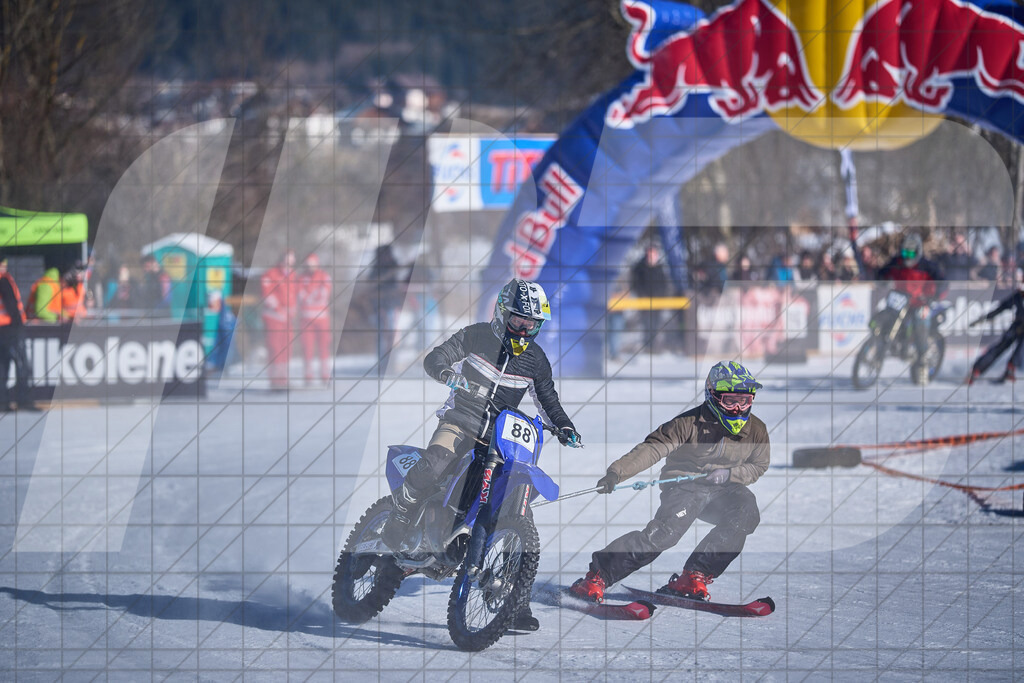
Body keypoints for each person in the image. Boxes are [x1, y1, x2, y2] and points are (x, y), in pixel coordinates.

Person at [379, 278, 583, 631]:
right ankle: (398, 518)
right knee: (435, 464)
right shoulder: (476, 336)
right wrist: (446, 372)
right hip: (461, 422)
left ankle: (514, 603)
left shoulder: (535, 360)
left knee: (518, 513)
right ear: (502, 313)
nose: (525, 328)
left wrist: (565, 426)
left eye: (533, 324)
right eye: (519, 319)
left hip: (502, 440)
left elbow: (548, 399)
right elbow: (436, 357)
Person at [569, 361, 768, 604]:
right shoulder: (687, 423)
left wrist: (729, 475)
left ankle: (695, 575)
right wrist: (617, 473)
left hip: (725, 489)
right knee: (665, 534)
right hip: (685, 485)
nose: (737, 409)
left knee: (746, 512)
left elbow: (759, 465)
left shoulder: (756, 430)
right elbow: (651, 450)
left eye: (744, 401)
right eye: (730, 401)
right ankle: (597, 577)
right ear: (713, 396)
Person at [877, 232, 947, 385]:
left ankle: (922, 362)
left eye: (911, 252)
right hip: (900, 301)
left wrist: (935, 296)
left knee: (921, 321)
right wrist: (881, 280)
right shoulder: (897, 261)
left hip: (921, 303)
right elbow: (882, 272)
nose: (907, 256)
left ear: (918, 252)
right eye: (905, 252)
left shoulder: (928, 265)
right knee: (882, 317)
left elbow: (943, 283)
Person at [968, 270, 1024, 383]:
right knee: (1000, 346)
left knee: (1021, 348)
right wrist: (982, 319)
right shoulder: (1018, 296)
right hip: (1017, 326)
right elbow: (1000, 308)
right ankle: (976, 370)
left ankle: (1010, 369)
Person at [0, 255, 40, 411]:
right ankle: (24, 400)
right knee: (22, 364)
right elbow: (12, 306)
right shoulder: (3, 280)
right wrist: (19, 324)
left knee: (2, 367)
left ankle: (3, 402)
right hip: (11, 328)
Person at [260, 249, 297, 391]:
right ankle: (275, 381)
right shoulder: (270, 275)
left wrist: (292, 310)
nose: (290, 264)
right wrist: (280, 310)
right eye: (288, 260)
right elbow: (268, 296)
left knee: (287, 349)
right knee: (275, 349)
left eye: (292, 261)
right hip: (274, 318)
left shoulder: (292, 275)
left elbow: (294, 295)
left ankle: (283, 379)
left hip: (287, 320)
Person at [296, 252, 333, 385]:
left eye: (312, 264)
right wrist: (311, 295)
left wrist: (310, 295)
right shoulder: (301, 278)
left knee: (324, 347)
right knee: (307, 347)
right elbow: (301, 296)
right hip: (306, 319)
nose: (310, 267)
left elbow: (323, 294)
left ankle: (325, 374)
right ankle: (308, 375)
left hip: (322, 319)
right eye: (307, 265)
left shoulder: (324, 277)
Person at [630, 245, 671, 352]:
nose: (652, 256)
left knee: (656, 324)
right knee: (646, 324)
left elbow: (665, 284)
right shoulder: (639, 267)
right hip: (644, 302)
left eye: (654, 254)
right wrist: (642, 296)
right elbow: (635, 284)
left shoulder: (660, 267)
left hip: (658, 302)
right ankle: (647, 347)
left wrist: (662, 296)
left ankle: (654, 347)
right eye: (650, 253)